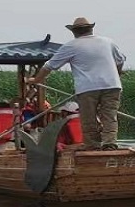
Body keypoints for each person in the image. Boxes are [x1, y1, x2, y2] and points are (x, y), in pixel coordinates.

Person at [27, 17, 125, 150]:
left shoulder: (71, 46)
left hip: (88, 88)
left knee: (88, 118)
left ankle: (93, 146)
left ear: (74, 32)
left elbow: (48, 66)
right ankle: (109, 144)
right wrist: (117, 74)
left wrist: (36, 80)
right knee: (109, 116)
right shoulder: (108, 42)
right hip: (112, 85)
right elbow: (120, 61)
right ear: (91, 29)